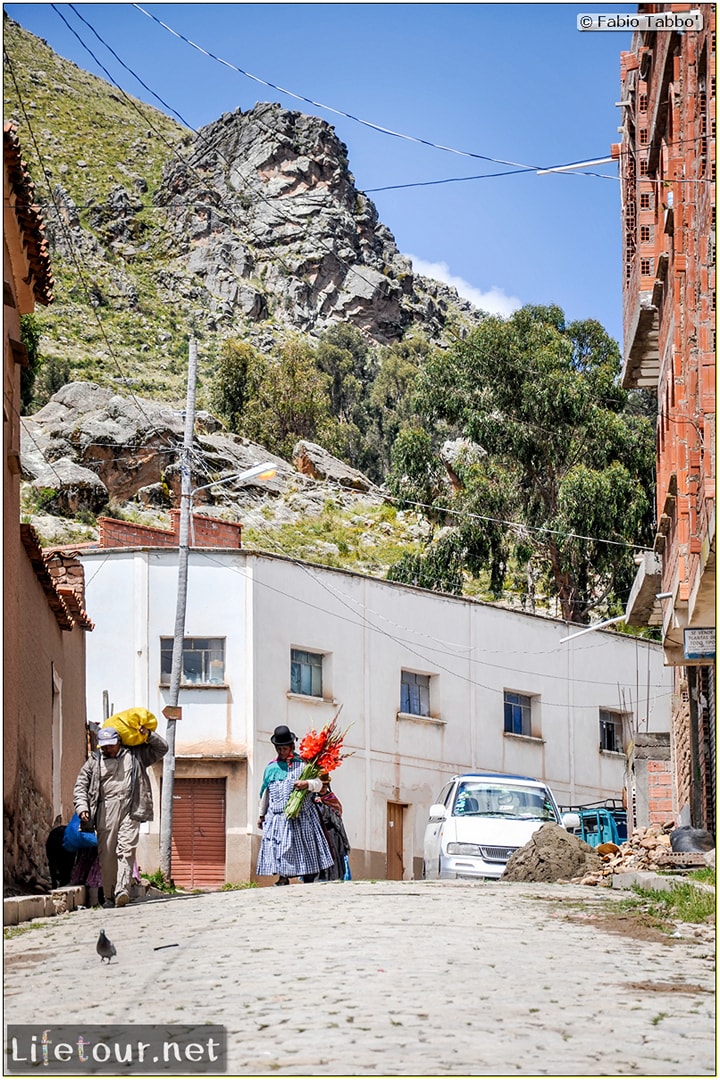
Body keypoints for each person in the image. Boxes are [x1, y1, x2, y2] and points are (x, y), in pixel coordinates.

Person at [73, 724, 168, 908]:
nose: (108, 748)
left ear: (119, 742)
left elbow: (162, 748)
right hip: (104, 811)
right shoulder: (94, 761)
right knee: (107, 855)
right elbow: (80, 786)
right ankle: (109, 896)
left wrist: (148, 735)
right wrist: (82, 807)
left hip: (130, 808)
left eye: (111, 744)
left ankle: (122, 890)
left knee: (125, 849)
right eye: (104, 746)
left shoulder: (136, 756)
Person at [256, 725, 333, 885]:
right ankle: (283, 877)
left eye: (284, 748)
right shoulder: (270, 769)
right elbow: (266, 794)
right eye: (279, 749)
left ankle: (309, 876)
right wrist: (261, 814)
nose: (281, 752)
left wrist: (307, 783)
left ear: (292, 747)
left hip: (302, 816)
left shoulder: (304, 766)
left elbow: (321, 786)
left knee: (306, 846)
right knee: (280, 846)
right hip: (278, 817)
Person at [314, 772, 351, 882]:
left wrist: (323, 806)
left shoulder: (331, 798)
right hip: (317, 832)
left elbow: (337, 814)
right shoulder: (310, 799)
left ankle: (333, 878)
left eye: (325, 786)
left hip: (331, 832)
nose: (323, 788)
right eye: (321, 785)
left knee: (333, 855)